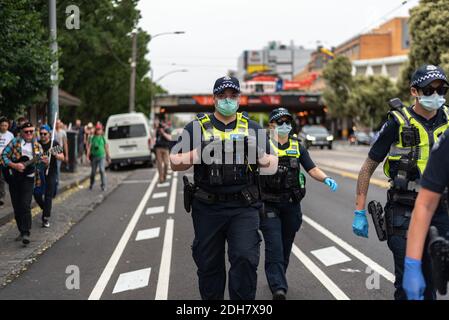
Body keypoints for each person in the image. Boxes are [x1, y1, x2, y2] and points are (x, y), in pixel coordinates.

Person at [170, 76, 278, 300]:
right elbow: (174, 162)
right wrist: (198, 153)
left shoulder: (252, 127)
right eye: (222, 96)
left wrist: (258, 154)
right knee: (209, 265)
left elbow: (273, 164)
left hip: (244, 206)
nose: (227, 100)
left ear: (239, 98)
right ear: (214, 99)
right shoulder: (196, 127)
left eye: (232, 95)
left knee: (246, 259)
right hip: (208, 207)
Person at [352, 64, 449, 300]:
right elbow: (367, 168)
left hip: (441, 210)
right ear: (414, 91)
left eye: (442, 90)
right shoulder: (397, 122)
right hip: (403, 210)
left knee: (432, 282)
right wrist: (359, 211)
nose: (436, 96)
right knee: (408, 284)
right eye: (429, 90)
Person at [260, 108, 338, 300]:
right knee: (274, 246)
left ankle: (278, 277)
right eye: (280, 123)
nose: (285, 126)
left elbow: (312, 169)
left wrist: (326, 178)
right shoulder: (263, 146)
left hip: (291, 205)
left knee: (285, 246)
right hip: (269, 204)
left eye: (288, 122)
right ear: (271, 125)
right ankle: (278, 287)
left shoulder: (297, 146)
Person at [1, 122, 48, 245]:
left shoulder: (37, 146)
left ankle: (26, 232)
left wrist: (45, 162)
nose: (29, 134)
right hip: (14, 178)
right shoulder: (15, 142)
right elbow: (3, 156)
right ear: (21, 132)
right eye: (26, 131)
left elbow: (40, 166)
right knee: (17, 207)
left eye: (31, 131)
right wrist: (14, 165)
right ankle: (21, 231)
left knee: (25, 205)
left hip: (29, 178)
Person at [33, 125, 65, 228]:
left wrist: (55, 154)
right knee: (37, 194)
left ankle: (45, 218)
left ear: (49, 134)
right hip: (39, 172)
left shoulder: (54, 144)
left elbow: (63, 157)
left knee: (48, 195)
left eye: (44, 134)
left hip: (51, 172)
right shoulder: (37, 144)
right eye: (41, 133)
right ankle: (45, 208)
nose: (42, 135)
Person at [87, 123, 111, 191]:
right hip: (94, 157)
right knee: (93, 173)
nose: (98, 131)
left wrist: (108, 157)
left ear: (101, 130)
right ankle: (91, 184)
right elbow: (89, 147)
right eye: (97, 129)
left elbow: (106, 148)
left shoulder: (103, 138)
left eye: (99, 129)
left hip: (102, 156)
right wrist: (87, 156)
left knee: (102, 170)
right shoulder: (92, 137)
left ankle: (103, 185)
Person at [0, 117, 14, 207]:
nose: (3, 127)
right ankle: (1, 197)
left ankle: (14, 193)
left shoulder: (10, 135)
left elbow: (13, 148)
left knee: (7, 178)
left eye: (5, 125)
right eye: (2, 125)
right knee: (0, 178)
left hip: (6, 160)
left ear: (8, 126)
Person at [154, 116, 172, 183]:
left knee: (166, 163)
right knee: (159, 163)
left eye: (164, 123)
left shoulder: (167, 129)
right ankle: (161, 177)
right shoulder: (157, 129)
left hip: (166, 148)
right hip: (158, 148)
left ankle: (164, 176)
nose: (162, 124)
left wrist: (163, 133)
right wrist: (156, 129)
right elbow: (153, 137)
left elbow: (170, 138)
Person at [54, 120, 68, 196]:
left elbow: (65, 143)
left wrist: (66, 155)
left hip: (59, 150)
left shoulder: (63, 132)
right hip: (52, 151)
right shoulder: (52, 131)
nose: (57, 125)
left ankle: (57, 182)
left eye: (59, 123)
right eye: (56, 123)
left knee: (57, 168)